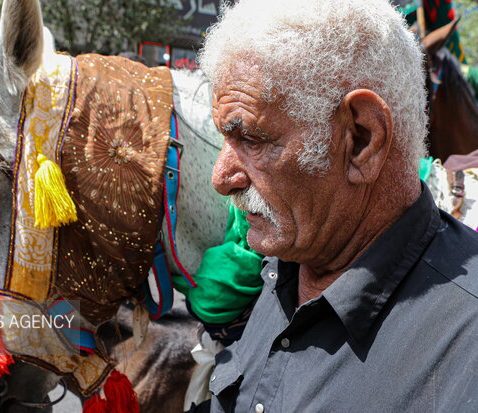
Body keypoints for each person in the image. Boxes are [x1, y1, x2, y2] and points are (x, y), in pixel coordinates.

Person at [193, 0, 478, 412]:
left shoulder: (464, 346)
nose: (221, 178)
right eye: (226, 138)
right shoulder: (288, 265)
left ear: (361, 140)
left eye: (252, 140)